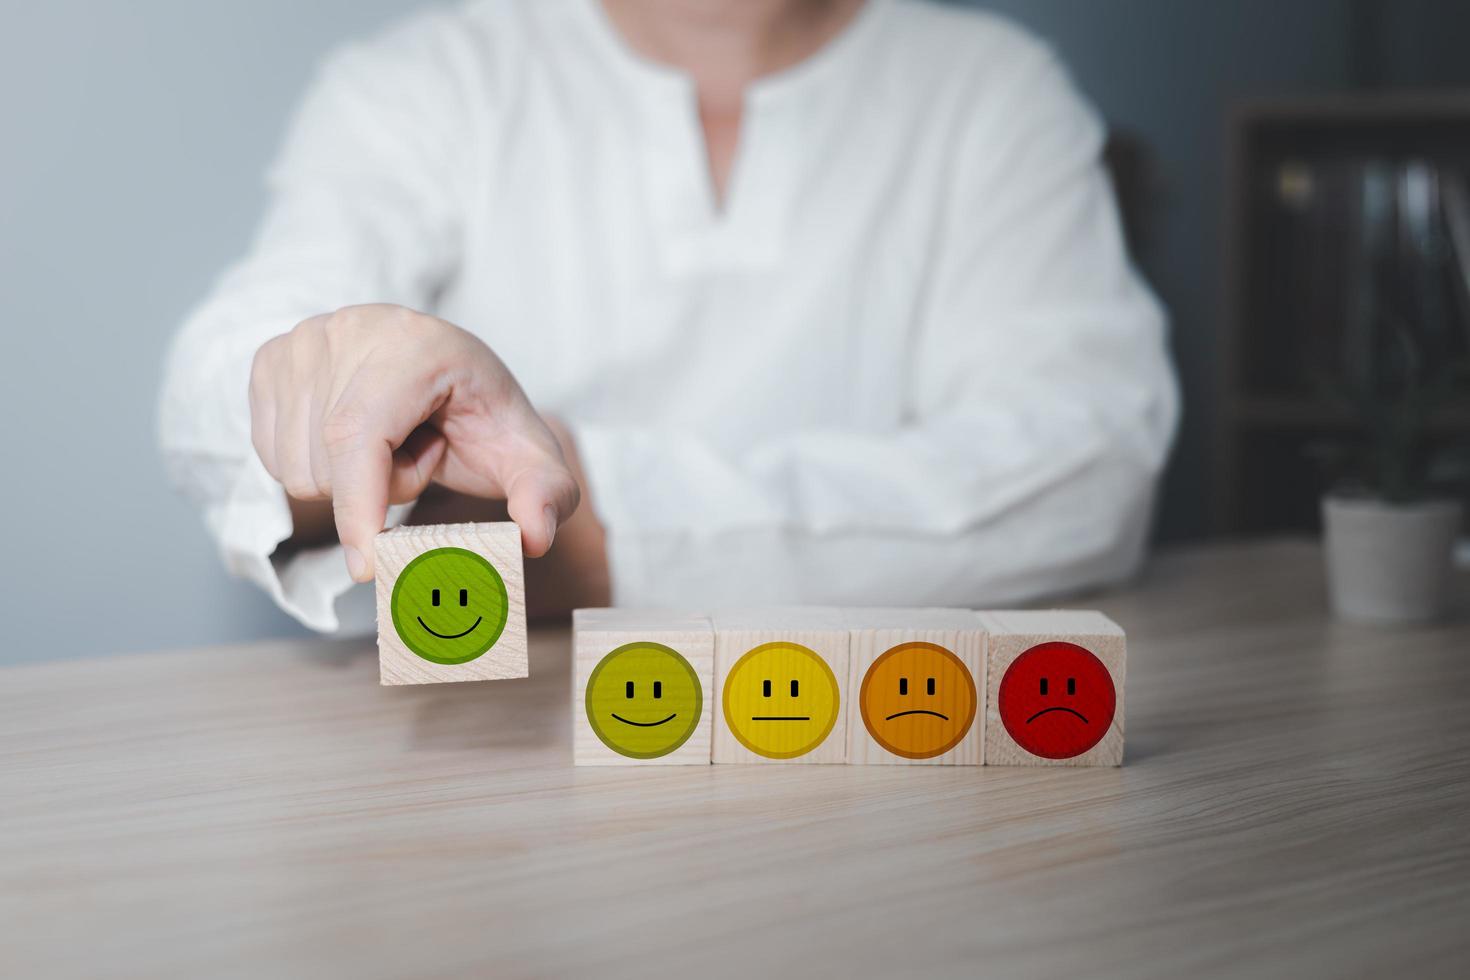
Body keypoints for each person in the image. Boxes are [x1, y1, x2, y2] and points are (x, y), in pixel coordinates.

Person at [158, 0, 1178, 634]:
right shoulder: (421, 84)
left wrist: (590, 534)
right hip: (496, 779)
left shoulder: (996, 92)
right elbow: (219, 387)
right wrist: (330, 380)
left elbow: (1087, 469)